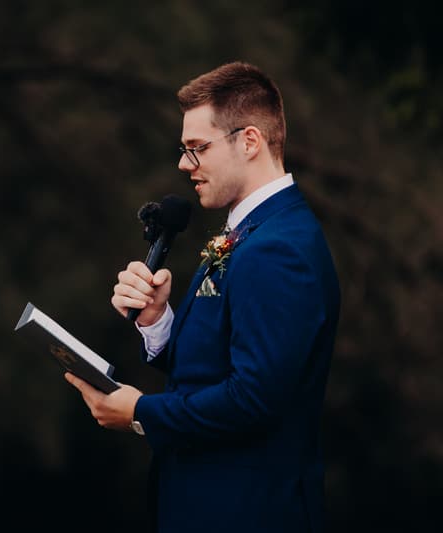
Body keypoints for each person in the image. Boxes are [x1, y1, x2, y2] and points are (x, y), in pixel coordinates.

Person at [65, 62, 341, 532]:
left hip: (250, 511)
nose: (183, 163)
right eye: (184, 148)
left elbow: (253, 399)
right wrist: (157, 320)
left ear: (249, 141)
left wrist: (140, 412)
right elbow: (215, 364)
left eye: (197, 148)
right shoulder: (252, 231)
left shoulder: (278, 248)